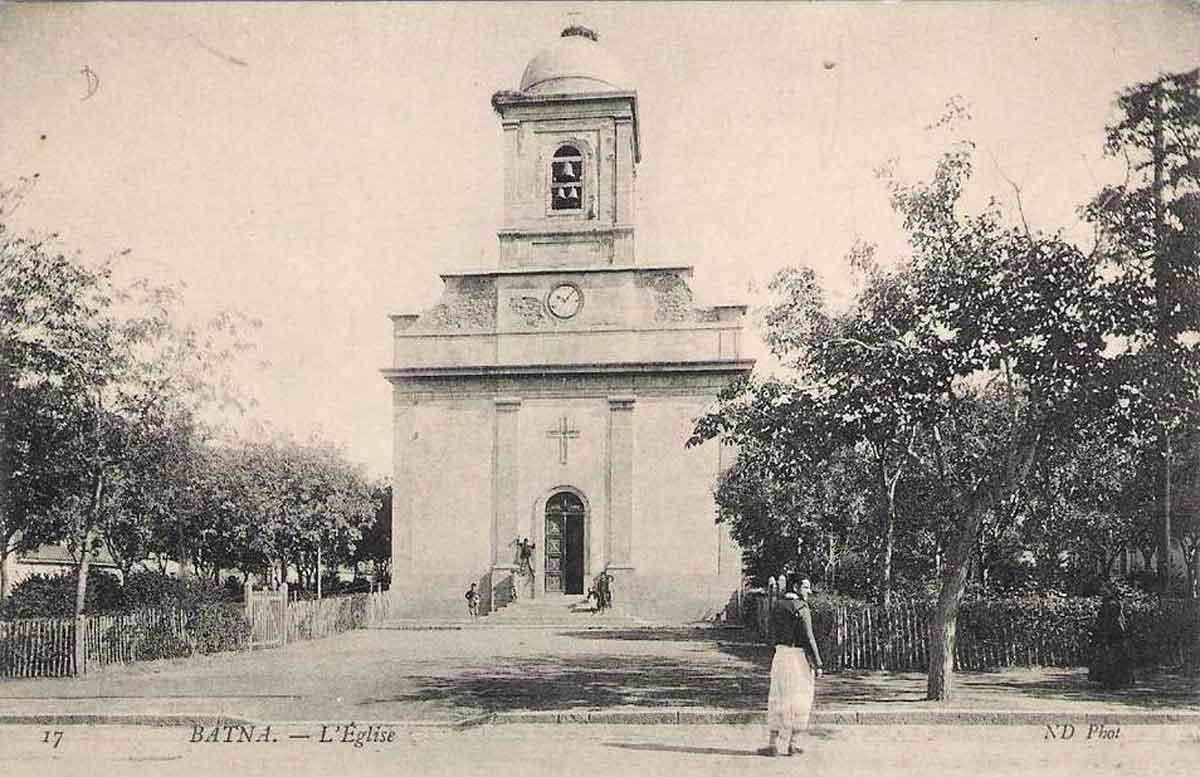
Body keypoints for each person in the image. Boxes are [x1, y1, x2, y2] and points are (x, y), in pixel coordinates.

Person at [761, 576, 822, 757]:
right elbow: (809, 637)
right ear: (795, 587)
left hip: (780, 657)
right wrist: (817, 662)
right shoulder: (802, 608)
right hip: (798, 658)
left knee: (777, 697)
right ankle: (792, 744)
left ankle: (772, 744)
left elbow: (770, 633)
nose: (808, 591)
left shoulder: (776, 606)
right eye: (805, 587)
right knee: (800, 698)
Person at [1089, 583, 1135, 689]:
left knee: (1113, 657)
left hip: (1113, 633)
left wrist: (1104, 632)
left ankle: (1113, 681)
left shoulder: (1112, 604)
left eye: (1105, 591)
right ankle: (1110, 680)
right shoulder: (1109, 603)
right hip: (1110, 632)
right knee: (1109, 657)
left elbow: (1110, 620)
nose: (1102, 592)